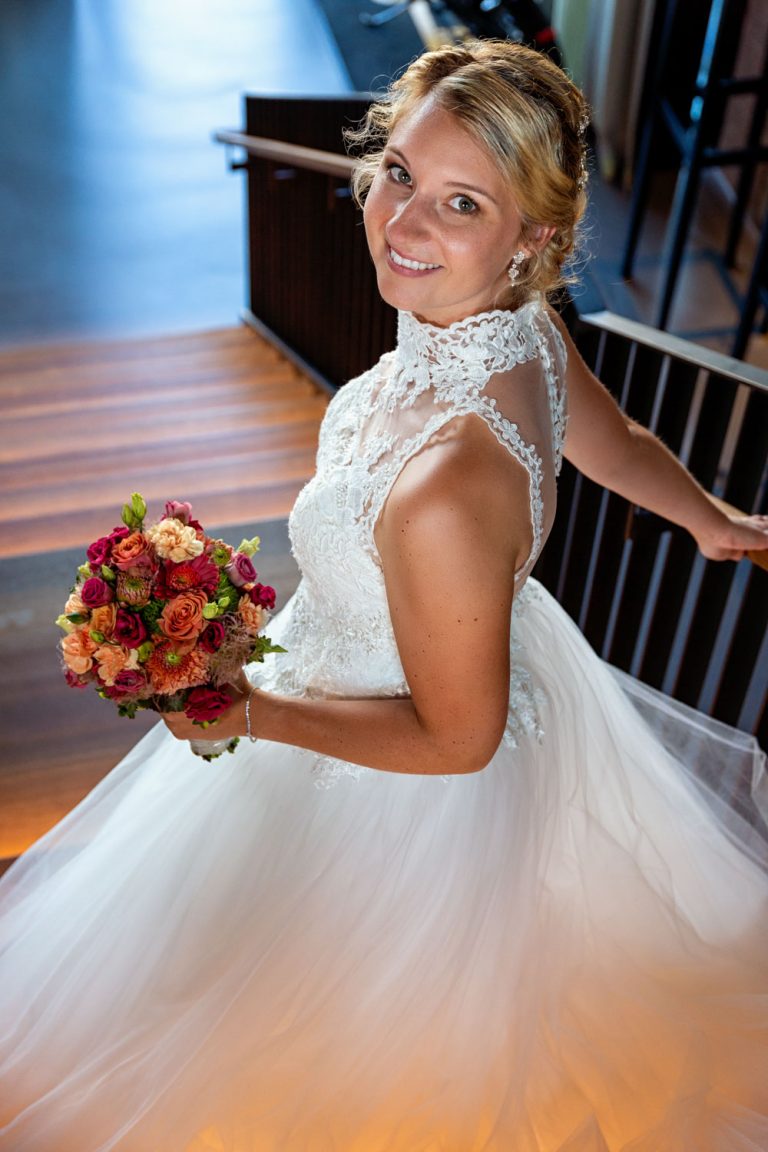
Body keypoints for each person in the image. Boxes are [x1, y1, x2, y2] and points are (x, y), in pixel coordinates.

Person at [1, 39, 767, 1152]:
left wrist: (245, 711)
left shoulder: (448, 488)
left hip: (398, 772)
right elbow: (619, 439)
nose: (403, 224)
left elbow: (458, 740)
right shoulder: (521, 327)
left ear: (534, 238)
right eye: (399, 172)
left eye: (460, 202)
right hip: (429, 655)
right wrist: (713, 520)